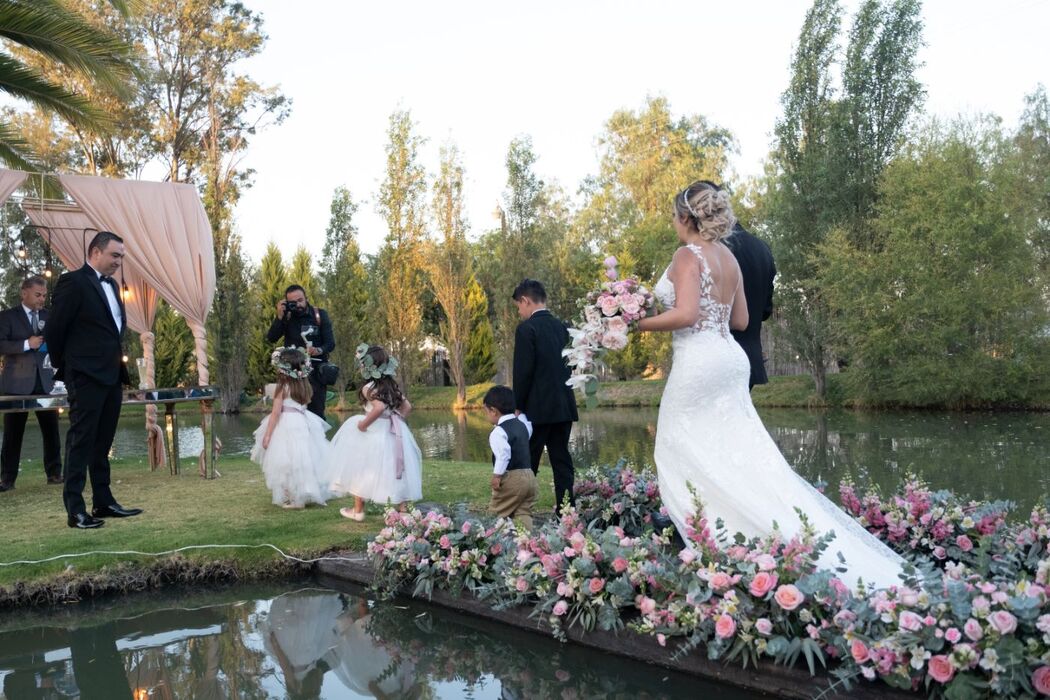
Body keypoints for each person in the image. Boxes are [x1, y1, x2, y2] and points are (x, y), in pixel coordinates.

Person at [635, 181, 904, 588]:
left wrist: (636, 324)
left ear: (686, 218)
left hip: (700, 362)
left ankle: (716, 538)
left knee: (675, 445)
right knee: (736, 450)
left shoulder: (687, 254)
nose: (673, 225)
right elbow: (742, 320)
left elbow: (687, 314)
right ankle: (751, 527)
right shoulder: (728, 257)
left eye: (674, 217)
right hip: (731, 360)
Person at [44, 231, 141, 529]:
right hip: (84, 375)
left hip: (112, 375)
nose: (118, 262)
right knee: (81, 441)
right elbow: (54, 331)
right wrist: (69, 367)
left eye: (121, 257)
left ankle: (103, 501)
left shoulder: (112, 285)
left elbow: (113, 331)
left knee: (102, 442)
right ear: (96, 252)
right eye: (115, 255)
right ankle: (75, 510)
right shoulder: (73, 282)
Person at [329, 344, 422, 521]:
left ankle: (358, 510)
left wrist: (364, 424)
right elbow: (407, 407)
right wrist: (395, 418)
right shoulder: (391, 386)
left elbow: (378, 407)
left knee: (360, 466)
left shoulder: (369, 387)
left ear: (368, 366)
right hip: (394, 430)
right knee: (397, 468)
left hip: (376, 430)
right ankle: (403, 509)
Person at [511, 279, 578, 514]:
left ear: (525, 301)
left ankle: (521, 510)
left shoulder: (527, 329)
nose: (519, 312)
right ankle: (566, 511)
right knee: (561, 460)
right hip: (563, 406)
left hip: (536, 409)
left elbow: (523, 372)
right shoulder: (562, 327)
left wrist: (517, 405)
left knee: (527, 461)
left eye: (518, 307)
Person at [0, 276, 62, 490]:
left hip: (45, 383)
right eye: (38, 295)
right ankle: (7, 480)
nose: (41, 299)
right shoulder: (7, 317)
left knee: (51, 430)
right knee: (12, 433)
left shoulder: (49, 316)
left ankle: (54, 474)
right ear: (24, 293)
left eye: (44, 295)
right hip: (17, 384)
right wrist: (27, 343)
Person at [250, 347, 331, 509]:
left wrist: (267, 435)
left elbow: (275, 413)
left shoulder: (283, 387)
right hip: (303, 421)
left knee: (286, 461)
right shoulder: (305, 385)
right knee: (305, 459)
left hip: (286, 423)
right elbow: (304, 405)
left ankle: (294, 499)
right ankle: (306, 492)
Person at [266, 285, 335, 419]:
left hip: (315, 374)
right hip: (292, 375)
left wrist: (318, 350)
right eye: (293, 302)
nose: (297, 304)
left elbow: (330, 343)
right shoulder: (287, 318)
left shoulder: (319, 315)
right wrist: (279, 317)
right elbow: (271, 338)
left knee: (317, 414)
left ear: (306, 298)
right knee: (292, 413)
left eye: (300, 300)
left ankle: (317, 439)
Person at [724, 217, 776, 390]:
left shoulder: (713, 248)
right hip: (751, 357)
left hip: (718, 358)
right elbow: (766, 311)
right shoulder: (762, 248)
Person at [483, 385, 537, 530]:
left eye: (486, 411)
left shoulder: (498, 432)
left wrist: (497, 476)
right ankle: (527, 543)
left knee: (497, 511)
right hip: (530, 477)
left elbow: (503, 455)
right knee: (523, 512)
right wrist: (521, 414)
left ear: (493, 411)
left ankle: (488, 543)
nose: (486, 415)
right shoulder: (523, 426)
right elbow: (528, 424)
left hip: (512, 478)